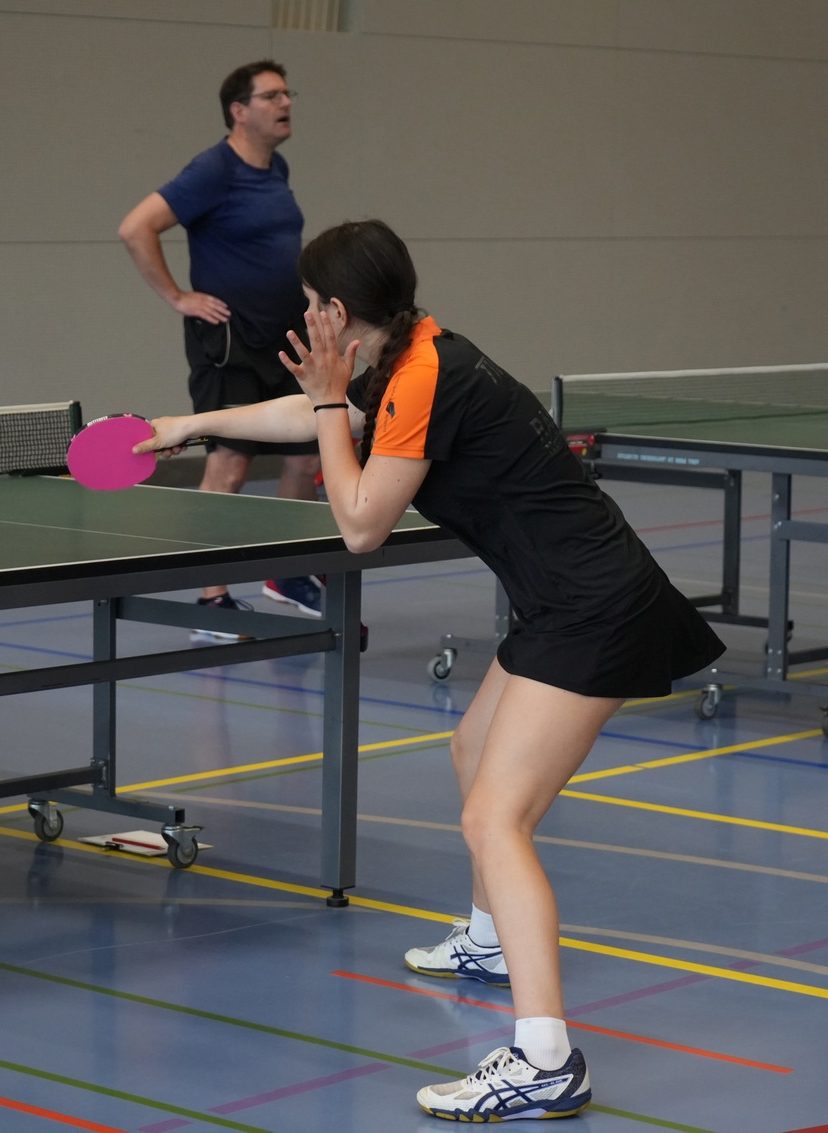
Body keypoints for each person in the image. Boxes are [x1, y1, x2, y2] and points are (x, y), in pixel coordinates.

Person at [134, 219, 725, 1122]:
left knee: (495, 816)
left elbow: (360, 522)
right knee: (471, 748)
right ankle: (490, 940)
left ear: (338, 311)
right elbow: (318, 416)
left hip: (594, 608)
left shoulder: (421, 376)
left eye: (311, 302)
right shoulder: (412, 351)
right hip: (566, 597)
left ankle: (546, 1059)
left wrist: (326, 404)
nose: (305, 314)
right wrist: (189, 423)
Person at [117, 59, 324, 632]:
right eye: (272, 96)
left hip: (286, 337)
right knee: (229, 466)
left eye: (287, 93)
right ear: (239, 111)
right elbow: (135, 227)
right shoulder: (213, 170)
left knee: (306, 456)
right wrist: (177, 296)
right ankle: (212, 599)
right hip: (231, 344)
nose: (286, 103)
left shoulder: (275, 167)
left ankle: (286, 572)